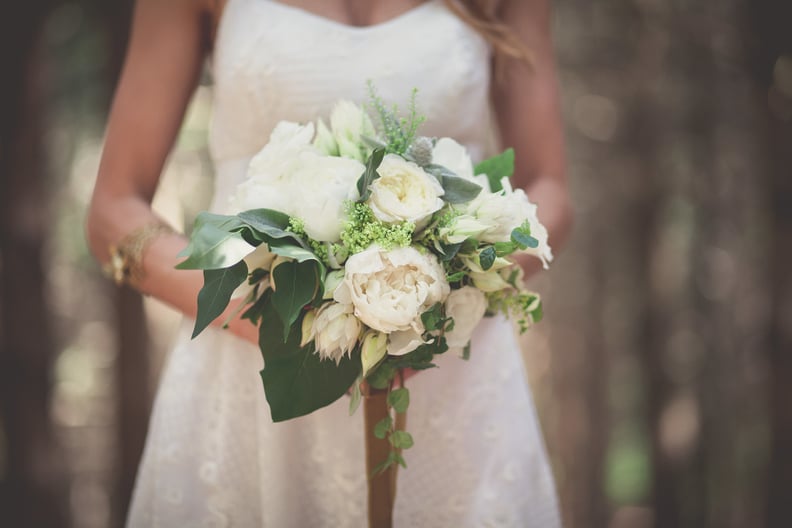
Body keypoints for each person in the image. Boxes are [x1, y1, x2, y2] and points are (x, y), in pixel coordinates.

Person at [87, 0, 572, 526]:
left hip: (450, 365)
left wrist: (453, 289)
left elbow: (551, 189)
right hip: (251, 366)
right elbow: (113, 212)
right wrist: (264, 310)